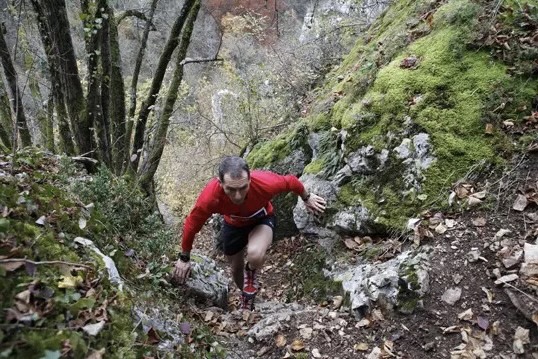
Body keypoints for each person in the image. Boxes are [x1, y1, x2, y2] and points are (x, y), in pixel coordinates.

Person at [172, 156, 326, 310]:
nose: (238, 195)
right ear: (220, 183)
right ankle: (246, 293)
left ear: (250, 180)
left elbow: (291, 181)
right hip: (233, 225)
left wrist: (307, 197)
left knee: (255, 254)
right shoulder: (210, 197)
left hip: (261, 219)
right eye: (231, 189)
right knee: (235, 268)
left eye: (243, 188)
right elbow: (192, 223)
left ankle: (251, 272)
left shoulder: (265, 182)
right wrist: (184, 257)